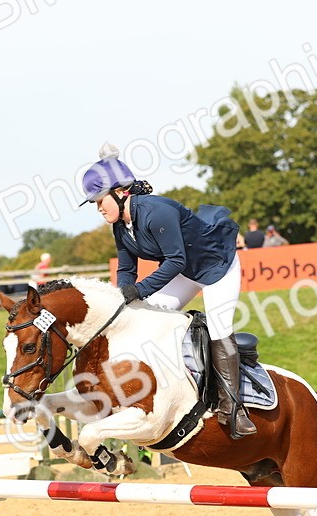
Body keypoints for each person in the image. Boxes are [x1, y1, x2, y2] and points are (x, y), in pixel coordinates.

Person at [82, 142, 255, 438]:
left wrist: (140, 290)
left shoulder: (155, 212)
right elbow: (127, 268)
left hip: (217, 268)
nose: (98, 208)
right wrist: (125, 300)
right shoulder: (121, 226)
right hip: (187, 271)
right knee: (147, 317)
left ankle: (234, 407)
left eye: (100, 201)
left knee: (217, 327)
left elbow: (175, 259)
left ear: (121, 193)